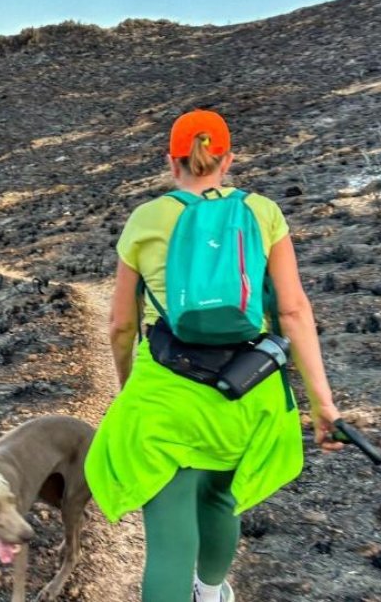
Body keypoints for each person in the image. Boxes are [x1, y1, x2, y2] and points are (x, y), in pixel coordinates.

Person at [84, 109, 345, 602]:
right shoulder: (263, 213)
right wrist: (322, 404)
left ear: (172, 161)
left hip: (165, 398)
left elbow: (120, 325)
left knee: (167, 540)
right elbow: (292, 311)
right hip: (247, 391)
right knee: (223, 498)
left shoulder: (147, 218)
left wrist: (128, 392)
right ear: (227, 159)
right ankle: (211, 591)